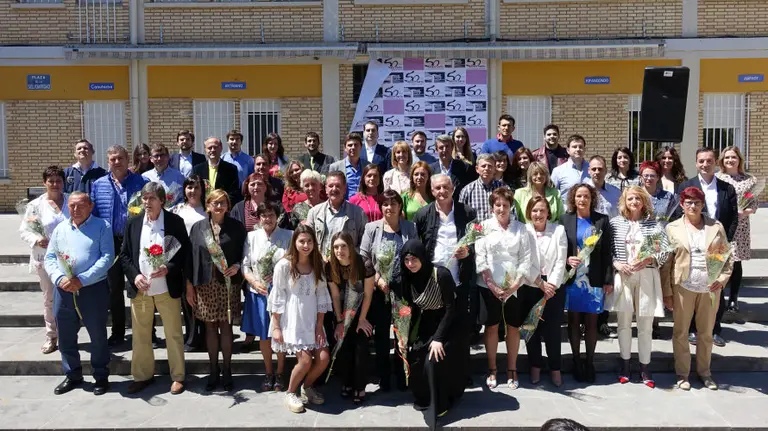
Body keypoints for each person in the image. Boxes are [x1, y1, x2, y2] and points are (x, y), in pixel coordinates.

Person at [119, 182, 191, 395]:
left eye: (151, 198)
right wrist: (135, 276)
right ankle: (142, 376)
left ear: (162, 201)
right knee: (141, 335)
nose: (147, 202)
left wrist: (168, 268)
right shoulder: (133, 223)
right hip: (141, 289)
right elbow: (124, 255)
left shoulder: (174, 222)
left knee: (173, 334)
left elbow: (184, 253)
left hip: (167, 289)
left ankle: (178, 377)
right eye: (144, 198)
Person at [44, 192, 114, 396]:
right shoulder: (60, 228)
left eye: (81, 205)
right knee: (65, 335)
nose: (75, 210)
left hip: (92, 289)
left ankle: (100, 376)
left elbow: (107, 257)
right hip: (63, 290)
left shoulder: (102, 226)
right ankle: (72, 374)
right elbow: (50, 257)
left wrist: (82, 279)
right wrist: (59, 278)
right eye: (72, 206)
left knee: (97, 335)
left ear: (90, 206)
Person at [413, 174, 477, 387]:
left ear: (453, 188)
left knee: (461, 329)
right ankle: (435, 372)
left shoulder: (467, 212)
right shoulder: (423, 215)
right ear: (432, 191)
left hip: (459, 280)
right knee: (435, 328)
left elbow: (477, 242)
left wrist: (468, 251)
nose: (442, 191)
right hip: (434, 283)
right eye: (438, 188)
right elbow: (419, 247)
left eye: (445, 187)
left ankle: (462, 373)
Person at [665, 187, 732, 391]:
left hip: (710, 288)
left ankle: (705, 372)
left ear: (703, 204)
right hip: (683, 286)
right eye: (688, 202)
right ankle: (682, 373)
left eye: (696, 202)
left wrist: (722, 279)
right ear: (682, 205)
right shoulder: (672, 228)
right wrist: (667, 292)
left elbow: (727, 257)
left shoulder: (715, 227)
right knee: (681, 332)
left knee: (706, 333)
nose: (692, 206)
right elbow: (666, 263)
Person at [607, 186, 669, 388]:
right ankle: (625, 364)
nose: (634, 202)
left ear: (644, 201)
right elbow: (607, 250)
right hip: (624, 275)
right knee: (623, 323)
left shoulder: (654, 224)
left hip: (646, 274)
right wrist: (617, 264)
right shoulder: (615, 223)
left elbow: (664, 251)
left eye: (638, 198)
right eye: (630, 198)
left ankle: (645, 367)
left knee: (645, 325)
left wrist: (650, 258)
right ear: (624, 201)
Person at [398, 239, 465, 423]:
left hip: (449, 324)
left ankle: (441, 403)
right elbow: (409, 309)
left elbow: (451, 309)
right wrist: (403, 336)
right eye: (406, 260)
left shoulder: (441, 274)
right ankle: (425, 398)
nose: (410, 264)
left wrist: (438, 338)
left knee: (433, 359)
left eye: (414, 259)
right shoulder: (407, 278)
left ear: (422, 257)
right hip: (426, 323)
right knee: (416, 357)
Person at [677, 147, 738, 347]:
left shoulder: (726, 188)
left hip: (717, 247)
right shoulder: (686, 186)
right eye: (701, 161)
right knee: (694, 288)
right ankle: (693, 329)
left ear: (715, 163)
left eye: (709, 160)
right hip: (693, 245)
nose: (705, 164)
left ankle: (714, 329)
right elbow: (679, 215)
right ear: (696, 163)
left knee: (715, 287)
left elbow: (733, 218)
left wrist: (723, 243)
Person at [268, 225, 332, 413]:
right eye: (302, 241)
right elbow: (278, 296)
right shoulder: (284, 265)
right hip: (293, 318)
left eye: (309, 241)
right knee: (305, 361)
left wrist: (319, 326)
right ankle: (290, 392)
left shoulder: (317, 264)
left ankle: (307, 386)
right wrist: (276, 326)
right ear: (294, 242)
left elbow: (321, 296)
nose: (306, 245)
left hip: (312, 318)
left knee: (323, 358)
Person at [359, 190, 419, 391]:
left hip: (403, 290)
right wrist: (377, 279)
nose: (389, 208)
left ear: (400, 206)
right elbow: (364, 258)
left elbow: (416, 253)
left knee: (402, 333)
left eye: (393, 204)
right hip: (379, 291)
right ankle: (384, 375)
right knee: (382, 335)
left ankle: (402, 374)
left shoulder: (410, 227)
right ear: (380, 207)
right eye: (385, 204)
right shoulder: (371, 228)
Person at [188, 189, 247, 392]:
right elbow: (190, 258)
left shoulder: (236, 227)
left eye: (223, 202)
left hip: (227, 284)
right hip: (205, 284)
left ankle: (227, 370)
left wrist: (238, 265)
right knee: (210, 327)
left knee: (226, 326)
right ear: (208, 206)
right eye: (215, 203)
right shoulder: (198, 228)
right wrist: (189, 285)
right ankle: (213, 370)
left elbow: (245, 254)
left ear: (228, 206)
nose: (219, 206)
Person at [90, 145, 148, 346]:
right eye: (113, 159)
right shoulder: (98, 185)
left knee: (139, 285)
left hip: (134, 241)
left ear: (127, 159)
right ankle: (117, 332)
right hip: (110, 241)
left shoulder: (141, 182)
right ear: (108, 162)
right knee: (114, 288)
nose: (117, 162)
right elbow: (93, 213)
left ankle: (146, 331)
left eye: (120, 158)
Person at [475, 188, 531, 390]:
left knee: (513, 327)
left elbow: (525, 258)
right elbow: (480, 257)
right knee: (491, 327)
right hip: (489, 286)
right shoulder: (483, 227)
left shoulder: (521, 228)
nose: (501, 208)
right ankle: (492, 369)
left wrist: (515, 284)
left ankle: (512, 369)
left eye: (505, 205)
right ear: (492, 207)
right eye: (497, 205)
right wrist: (491, 285)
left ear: (511, 206)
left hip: (514, 286)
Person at [561, 183, 613, 383]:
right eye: (578, 196)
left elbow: (607, 252)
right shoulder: (565, 219)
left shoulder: (601, 220)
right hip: (573, 279)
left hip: (594, 279)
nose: (582, 199)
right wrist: (567, 259)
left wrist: (608, 279)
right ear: (573, 199)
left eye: (586, 196)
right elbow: (560, 247)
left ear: (592, 199)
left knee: (592, 322)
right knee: (573, 321)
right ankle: (576, 361)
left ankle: (589, 362)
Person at [19, 166, 70, 354]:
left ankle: (68, 335)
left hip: (70, 258)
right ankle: (52, 336)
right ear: (44, 183)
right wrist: (36, 239)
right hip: (45, 258)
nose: (55, 184)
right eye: (51, 181)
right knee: (49, 298)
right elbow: (25, 230)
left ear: (63, 182)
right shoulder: (35, 206)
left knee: (70, 298)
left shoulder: (71, 201)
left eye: (58, 181)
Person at [241, 201, 291, 391]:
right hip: (259, 292)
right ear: (259, 218)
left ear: (277, 217)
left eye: (271, 215)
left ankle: (280, 372)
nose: (267, 219)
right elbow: (245, 265)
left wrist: (279, 275)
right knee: (264, 335)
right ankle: (268, 372)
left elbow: (293, 262)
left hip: (281, 293)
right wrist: (254, 282)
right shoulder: (251, 237)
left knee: (280, 334)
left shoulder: (289, 235)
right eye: (263, 215)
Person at [522, 196, 568, 386]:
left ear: (548, 212)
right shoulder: (523, 231)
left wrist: (551, 285)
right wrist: (540, 283)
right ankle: (535, 365)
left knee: (553, 330)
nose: (538, 214)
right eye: (534, 210)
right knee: (531, 328)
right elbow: (523, 260)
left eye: (542, 210)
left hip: (554, 287)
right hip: (531, 285)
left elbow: (561, 260)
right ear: (529, 212)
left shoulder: (558, 230)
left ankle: (555, 368)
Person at [327, 232, 375, 404]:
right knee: (343, 346)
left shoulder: (364, 264)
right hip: (342, 310)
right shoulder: (331, 266)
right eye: (335, 247)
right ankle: (346, 382)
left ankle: (360, 386)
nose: (339, 250)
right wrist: (340, 321)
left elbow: (368, 294)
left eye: (343, 246)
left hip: (363, 310)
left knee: (361, 347)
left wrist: (362, 319)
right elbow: (334, 296)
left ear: (351, 247)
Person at [716, 146, 757, 313]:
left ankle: (733, 299)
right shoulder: (717, 178)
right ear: (722, 160)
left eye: (733, 157)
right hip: (721, 224)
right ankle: (719, 297)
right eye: (727, 157)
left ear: (739, 159)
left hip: (740, 226)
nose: (730, 160)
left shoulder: (749, 180)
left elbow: (753, 204)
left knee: (735, 261)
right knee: (719, 260)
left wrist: (744, 212)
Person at [172, 175, 207, 352]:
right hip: (183, 259)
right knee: (187, 299)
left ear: (202, 190)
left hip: (203, 260)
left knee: (202, 299)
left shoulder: (207, 210)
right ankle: (191, 336)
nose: (192, 191)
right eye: (189, 187)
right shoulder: (178, 209)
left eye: (196, 187)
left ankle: (205, 336)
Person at [306, 171, 368, 258]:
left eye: (338, 186)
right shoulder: (314, 213)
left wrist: (349, 256)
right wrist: (319, 256)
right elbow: (308, 240)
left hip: (348, 263)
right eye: (331, 186)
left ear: (345, 189)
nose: (334, 189)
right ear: (326, 189)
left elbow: (365, 244)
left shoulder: (358, 213)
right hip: (321, 263)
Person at [192, 137, 242, 205]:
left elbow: (233, 193)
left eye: (215, 147)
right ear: (205, 149)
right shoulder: (197, 169)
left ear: (221, 148)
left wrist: (220, 204)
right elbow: (195, 190)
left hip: (222, 207)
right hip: (203, 207)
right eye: (209, 148)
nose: (212, 150)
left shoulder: (231, 169)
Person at [458, 154, 506, 222]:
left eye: (490, 166)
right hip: (475, 228)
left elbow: (511, 212)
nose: (486, 168)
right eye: (483, 166)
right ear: (477, 169)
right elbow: (460, 214)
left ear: (495, 169)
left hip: (499, 228)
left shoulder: (503, 188)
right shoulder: (467, 190)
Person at [551, 135, 590, 203]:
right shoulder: (558, 171)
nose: (578, 149)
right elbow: (552, 196)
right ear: (568, 150)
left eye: (580, 147)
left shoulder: (593, 169)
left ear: (584, 150)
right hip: (566, 209)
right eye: (574, 147)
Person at [431, 134, 469, 199]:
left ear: (452, 148)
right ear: (436, 149)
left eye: (447, 146)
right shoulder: (430, 169)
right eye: (441, 147)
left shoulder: (464, 167)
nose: (444, 150)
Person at [329, 133, 365, 199]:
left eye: (356, 145)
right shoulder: (335, 167)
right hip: (343, 204)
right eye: (350, 145)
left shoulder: (367, 166)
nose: (353, 147)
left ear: (361, 147)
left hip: (363, 203)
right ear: (345, 148)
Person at [584, 155, 621, 219]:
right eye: (594, 169)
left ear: (606, 170)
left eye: (600, 169)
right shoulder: (582, 192)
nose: (597, 172)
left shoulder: (616, 193)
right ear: (589, 171)